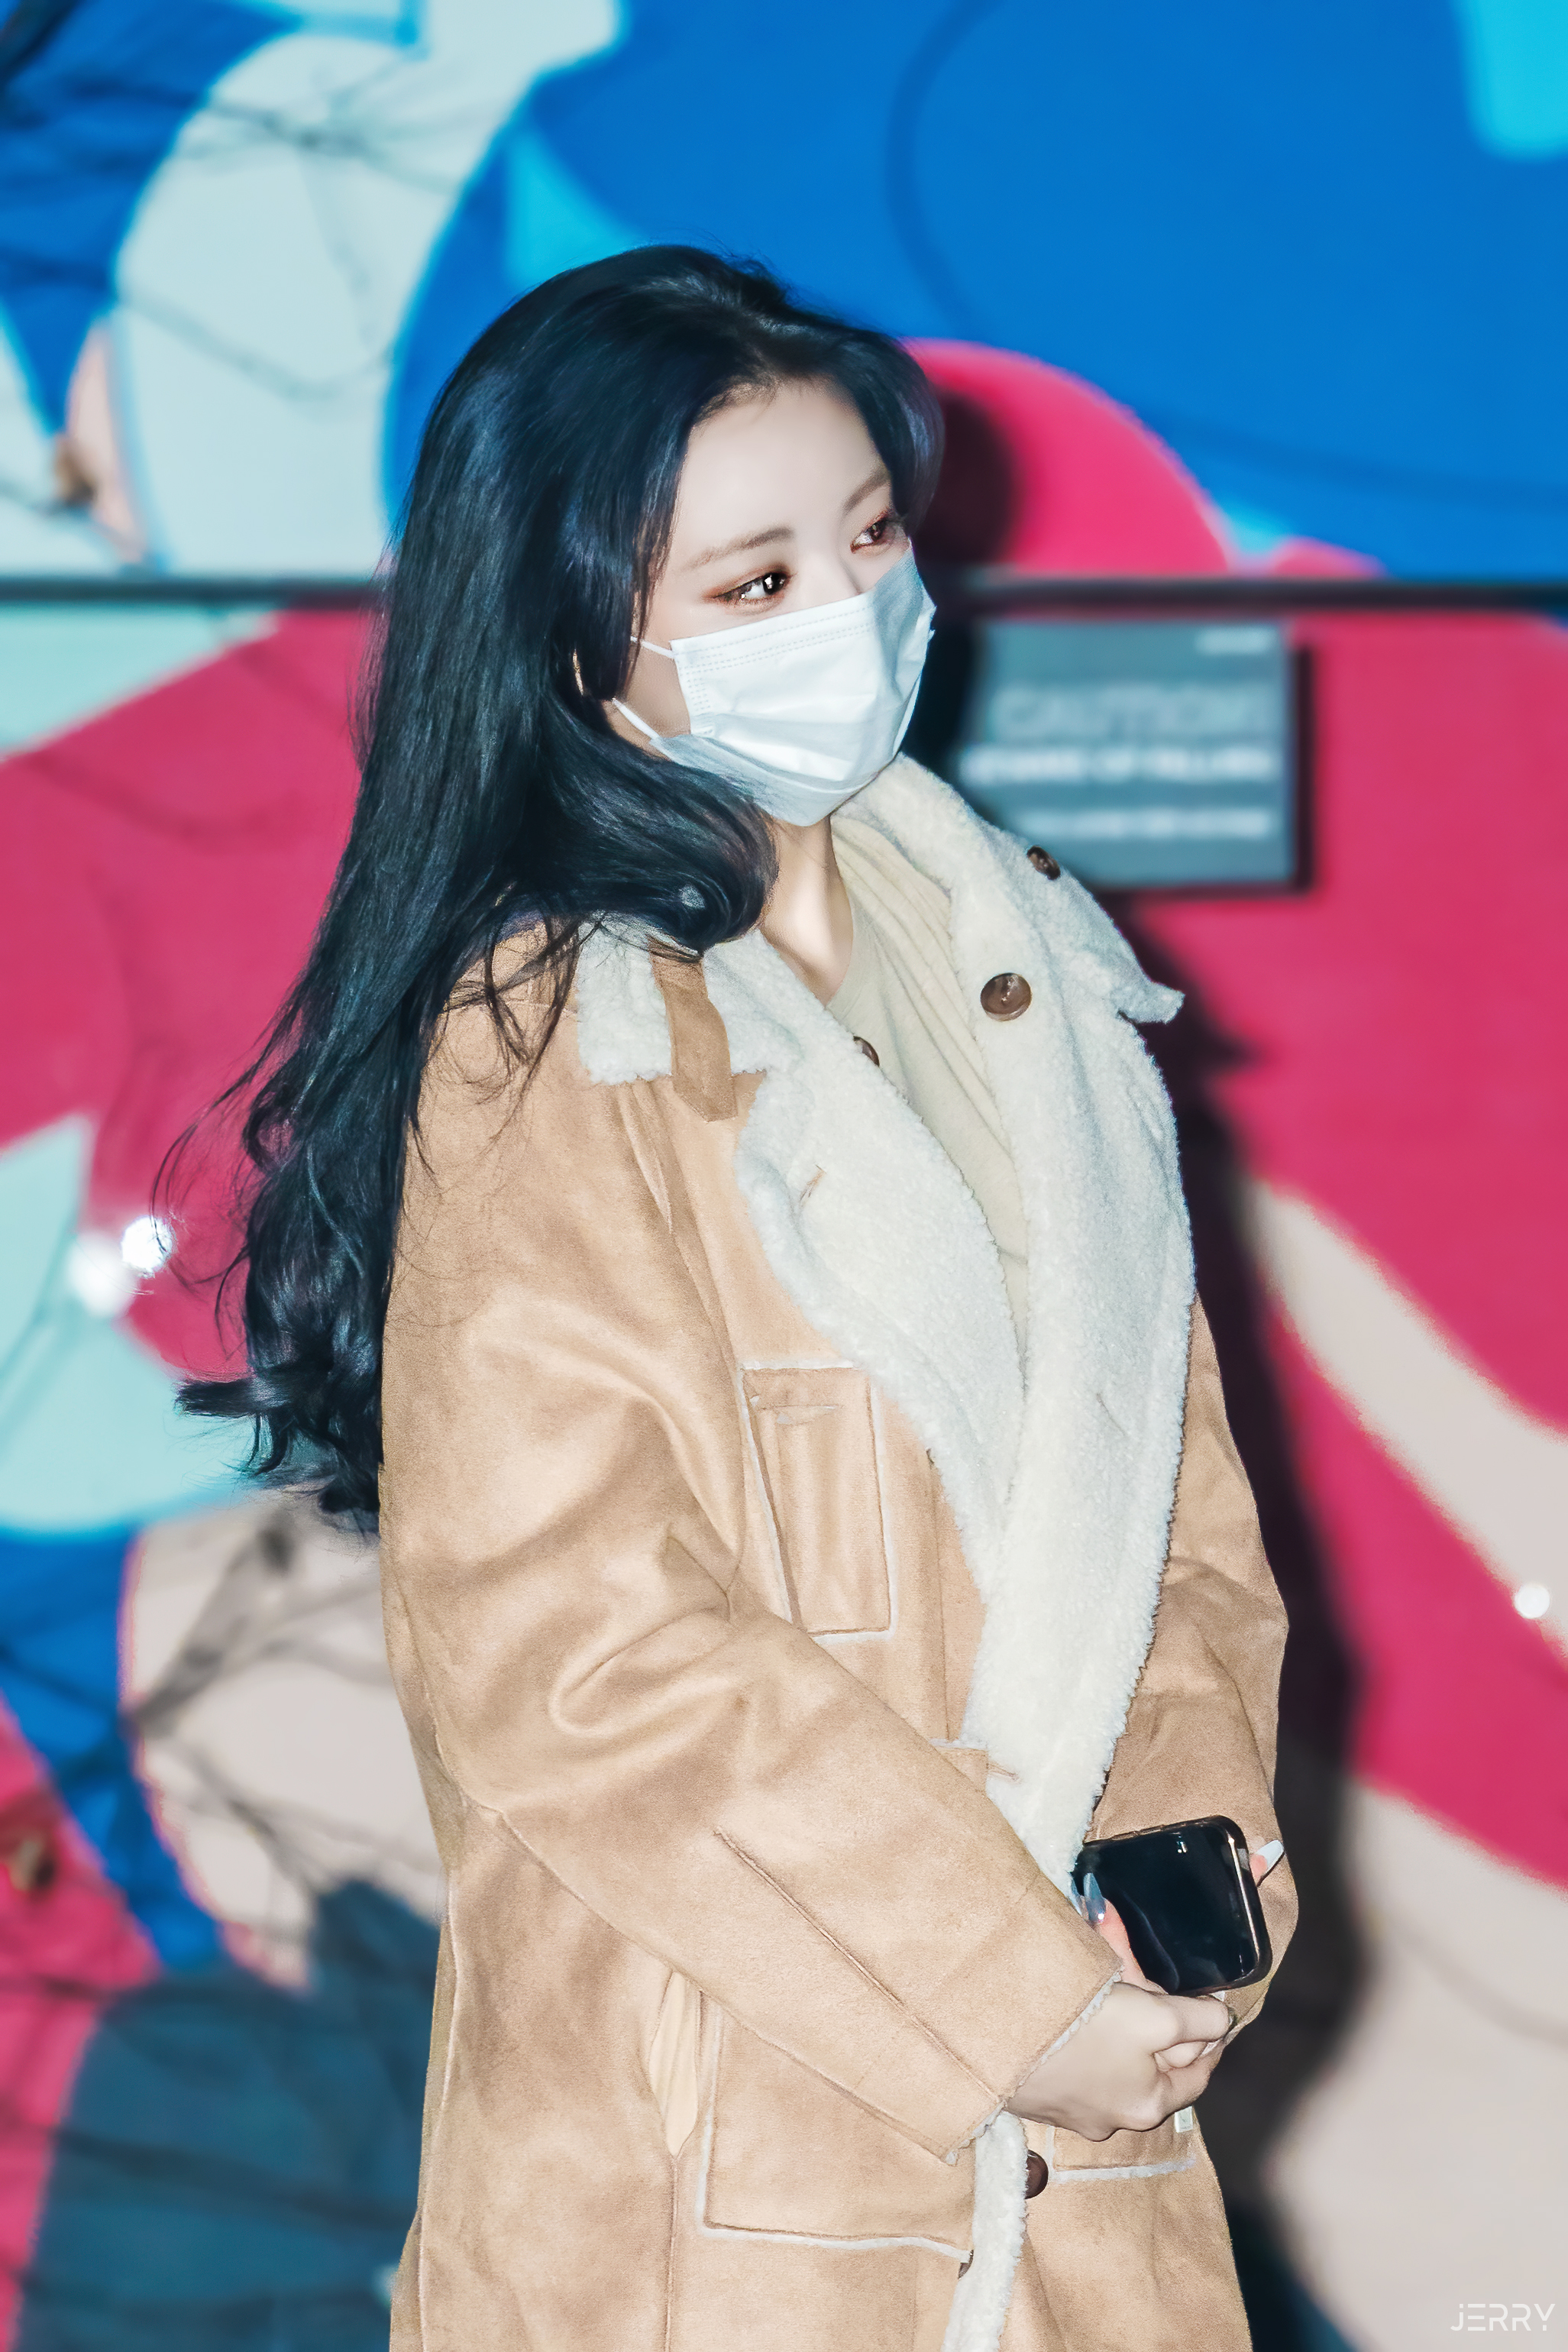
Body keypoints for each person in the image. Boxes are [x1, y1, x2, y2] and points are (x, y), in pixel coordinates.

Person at [188, 247, 1295, 2352]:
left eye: (870, 538)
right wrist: (1004, 1996)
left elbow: (1183, 1538)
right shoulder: (551, 1042)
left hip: (1090, 2155)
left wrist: (1174, 1937)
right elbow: (575, 1649)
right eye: (755, 581)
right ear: (574, 638)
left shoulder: (1039, 978)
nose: (850, 611)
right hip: (711, 2189)